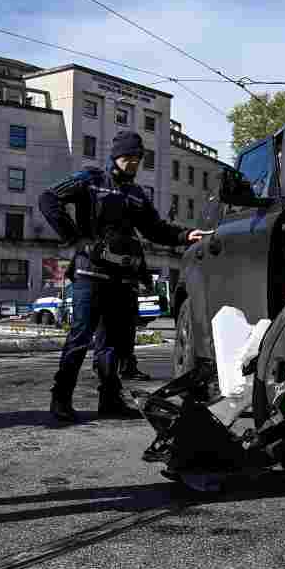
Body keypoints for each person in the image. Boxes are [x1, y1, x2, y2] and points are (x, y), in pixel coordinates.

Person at [40, 132, 205, 422]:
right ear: (114, 156)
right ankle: (61, 398)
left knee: (113, 344)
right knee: (80, 337)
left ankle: (110, 400)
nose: (132, 164)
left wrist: (183, 235)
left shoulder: (137, 194)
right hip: (89, 275)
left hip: (122, 279)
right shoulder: (90, 180)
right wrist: (76, 240)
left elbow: (155, 228)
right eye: (128, 158)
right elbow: (48, 199)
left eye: (137, 159)